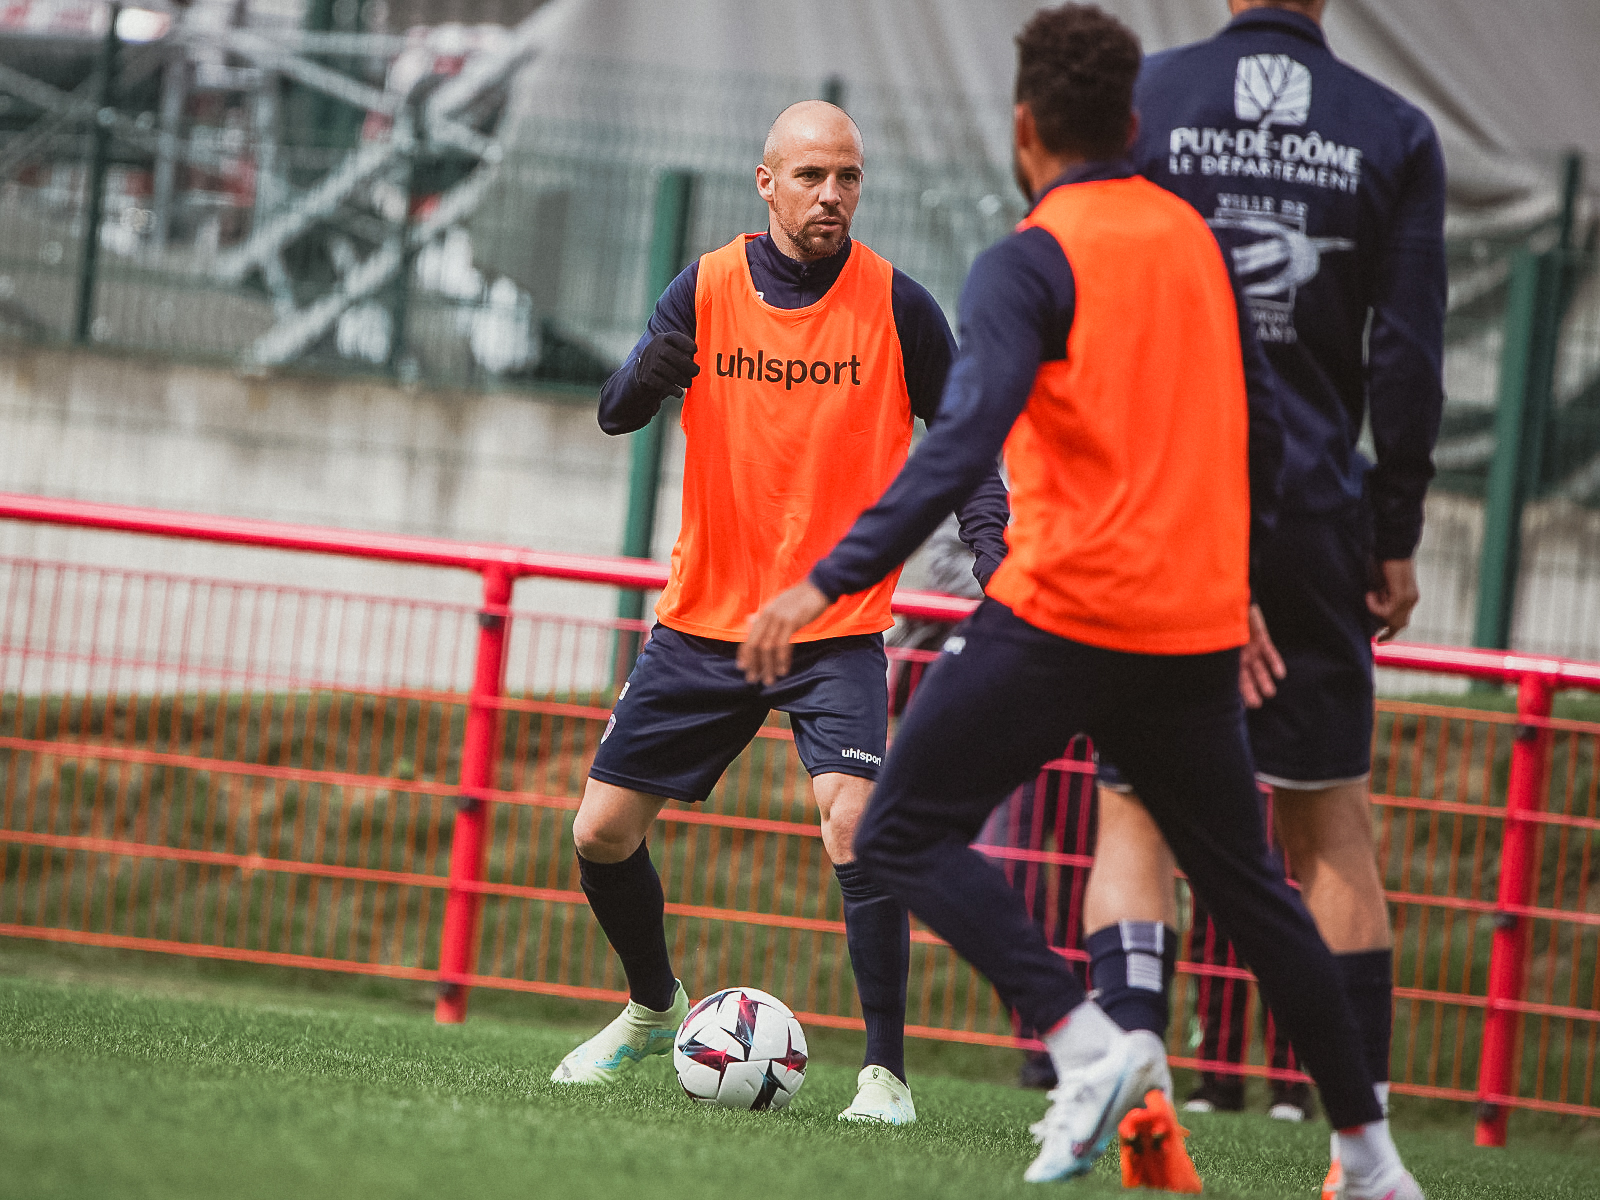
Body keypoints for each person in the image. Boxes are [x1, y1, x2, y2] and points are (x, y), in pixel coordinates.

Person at [739, 7, 1423, 1195]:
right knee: (1258, 894)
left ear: (1024, 129)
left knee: (895, 829)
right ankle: (1368, 1157)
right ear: (1132, 122)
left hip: (1063, 614)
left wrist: (826, 577)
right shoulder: (1198, 244)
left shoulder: (1028, 256)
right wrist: (1248, 584)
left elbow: (958, 445)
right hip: (1192, 625)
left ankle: (1087, 1042)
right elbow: (1261, 425)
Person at [549, 99, 1009, 1128]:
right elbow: (616, 409)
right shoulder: (707, 284)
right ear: (766, 183)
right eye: (810, 177)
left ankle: (884, 1076)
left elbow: (968, 438)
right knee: (600, 836)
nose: (832, 196)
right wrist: (646, 371)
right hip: (706, 617)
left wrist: (995, 550)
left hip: (833, 626)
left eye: (847, 177)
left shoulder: (898, 304)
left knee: (856, 825)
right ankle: (652, 1007)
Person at [1078, 2, 1446, 1193]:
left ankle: (1133, 1088)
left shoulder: (1151, 97)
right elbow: (1409, 352)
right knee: (1326, 822)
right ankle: (1361, 1147)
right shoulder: (1390, 130)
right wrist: (1393, 533)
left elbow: (1095, 294)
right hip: (1311, 513)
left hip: (1166, 501)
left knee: (1134, 813)